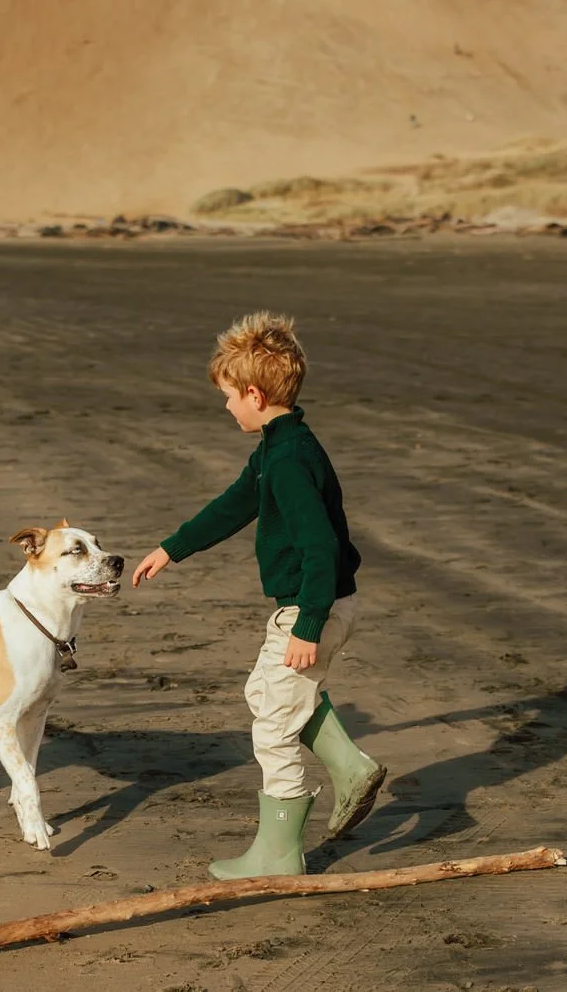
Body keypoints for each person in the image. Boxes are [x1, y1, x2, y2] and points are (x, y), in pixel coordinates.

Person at [132, 311, 385, 878]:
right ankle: (350, 767)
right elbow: (234, 504)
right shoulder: (278, 446)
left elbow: (320, 546)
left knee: (273, 723)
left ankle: (279, 852)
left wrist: (308, 624)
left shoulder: (292, 460)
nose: (225, 408)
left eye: (228, 397)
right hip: (317, 602)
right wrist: (171, 548)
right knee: (266, 693)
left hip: (312, 605)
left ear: (254, 393)